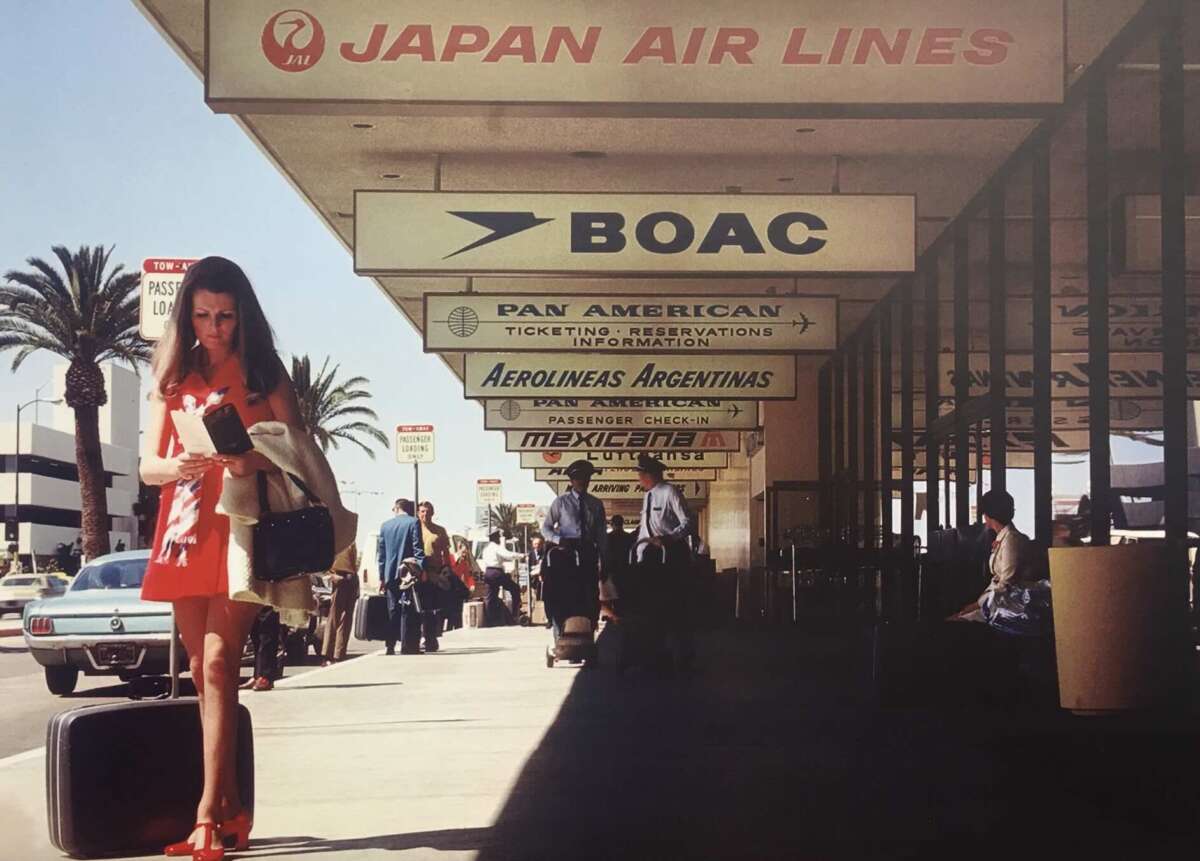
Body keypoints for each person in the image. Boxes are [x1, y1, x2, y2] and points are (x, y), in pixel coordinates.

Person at [140, 255, 304, 859]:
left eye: (226, 316)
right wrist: (177, 465)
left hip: (240, 529)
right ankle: (231, 808)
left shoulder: (264, 373)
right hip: (182, 529)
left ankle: (206, 813)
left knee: (217, 661)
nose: (214, 327)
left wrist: (245, 459)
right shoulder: (172, 375)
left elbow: (298, 456)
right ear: (187, 314)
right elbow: (146, 466)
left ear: (243, 316)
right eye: (203, 314)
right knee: (202, 675)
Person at [632, 453, 695, 672]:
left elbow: (688, 522)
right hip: (650, 557)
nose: (639, 478)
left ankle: (682, 656)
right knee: (651, 610)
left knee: (673, 608)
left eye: (641, 474)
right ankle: (658, 656)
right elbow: (645, 528)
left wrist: (668, 538)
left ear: (650, 474)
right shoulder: (648, 496)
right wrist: (638, 553)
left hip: (670, 555)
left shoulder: (669, 492)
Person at [949, 489, 1045, 628]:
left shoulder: (1011, 539)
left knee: (954, 623)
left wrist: (977, 605)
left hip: (1008, 606)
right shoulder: (1003, 537)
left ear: (989, 515)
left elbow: (1007, 583)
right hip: (995, 601)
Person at [540, 460, 607, 654]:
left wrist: (605, 560)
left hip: (587, 552)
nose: (583, 481)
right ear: (572, 480)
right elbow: (545, 528)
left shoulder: (595, 504)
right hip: (565, 553)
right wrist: (559, 540)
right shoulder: (561, 502)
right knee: (564, 595)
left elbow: (602, 535)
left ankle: (587, 636)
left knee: (589, 595)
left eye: (586, 477)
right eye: (578, 478)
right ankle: (561, 635)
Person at [378, 499, 426, 654]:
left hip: (390, 574)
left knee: (392, 610)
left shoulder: (385, 526)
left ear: (397, 508)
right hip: (408, 573)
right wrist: (421, 569)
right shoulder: (414, 523)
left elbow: (382, 555)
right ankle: (408, 645)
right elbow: (418, 549)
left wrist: (382, 577)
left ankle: (390, 646)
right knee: (409, 610)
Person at [417, 501, 454, 648]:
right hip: (419, 573)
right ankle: (422, 637)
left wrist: (447, 571)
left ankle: (431, 638)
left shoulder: (440, 531)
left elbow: (446, 552)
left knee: (435, 609)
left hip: (435, 574)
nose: (425, 514)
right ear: (418, 513)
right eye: (422, 511)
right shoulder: (415, 529)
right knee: (420, 608)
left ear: (432, 513)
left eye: (427, 511)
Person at [322, 542, 360, 665]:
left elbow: (355, 561)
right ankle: (326, 654)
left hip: (351, 577)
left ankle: (340, 653)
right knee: (334, 617)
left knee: (347, 618)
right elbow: (322, 560)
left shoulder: (350, 541)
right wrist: (331, 575)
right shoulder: (332, 538)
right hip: (339, 575)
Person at [480, 530, 525, 626]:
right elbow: (508, 555)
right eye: (498, 537)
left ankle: (490, 620)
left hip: (488, 572)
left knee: (490, 597)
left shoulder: (486, 549)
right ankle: (515, 613)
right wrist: (521, 556)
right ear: (495, 538)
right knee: (515, 588)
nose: (500, 540)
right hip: (496, 572)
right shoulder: (496, 547)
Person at [242, 607, 282, 692]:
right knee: (256, 634)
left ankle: (265, 676)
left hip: (270, 598)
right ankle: (257, 675)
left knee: (267, 634)